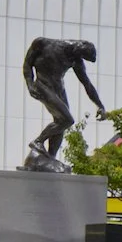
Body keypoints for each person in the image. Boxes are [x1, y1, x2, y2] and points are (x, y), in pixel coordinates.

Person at [21, 37, 106, 172]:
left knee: (60, 124)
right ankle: (38, 141)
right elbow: (27, 64)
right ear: (77, 48)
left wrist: (100, 105)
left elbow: (87, 84)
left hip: (59, 90)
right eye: (81, 56)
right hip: (43, 86)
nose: (78, 60)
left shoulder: (75, 59)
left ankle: (49, 158)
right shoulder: (43, 44)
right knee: (66, 120)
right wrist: (30, 84)